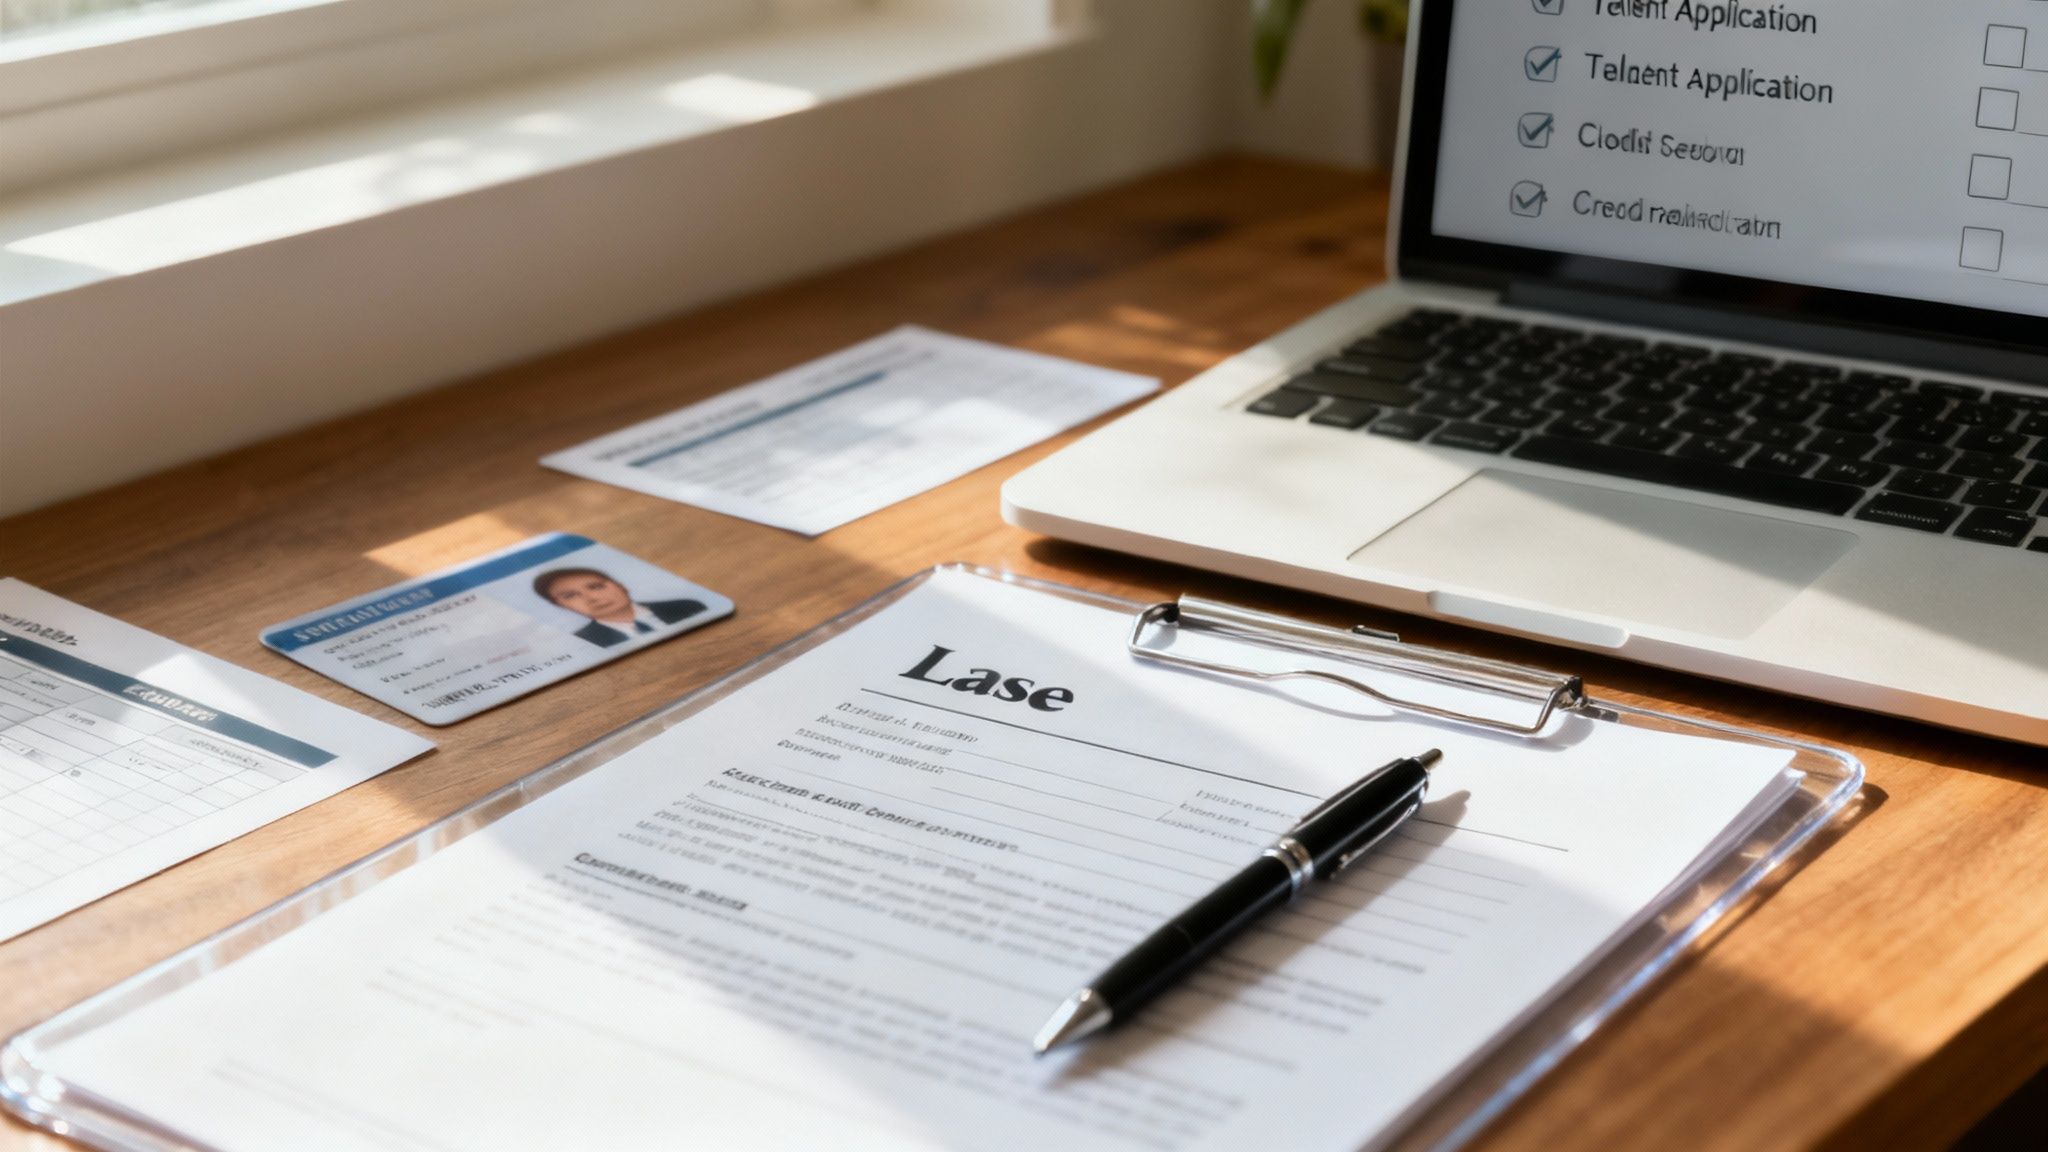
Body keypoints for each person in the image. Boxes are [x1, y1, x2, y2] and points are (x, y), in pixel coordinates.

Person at [532, 567, 705, 648]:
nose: (591, 598)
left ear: (620, 586)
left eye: (596, 587)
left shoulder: (688, 607)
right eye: (570, 596)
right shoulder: (583, 644)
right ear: (561, 606)